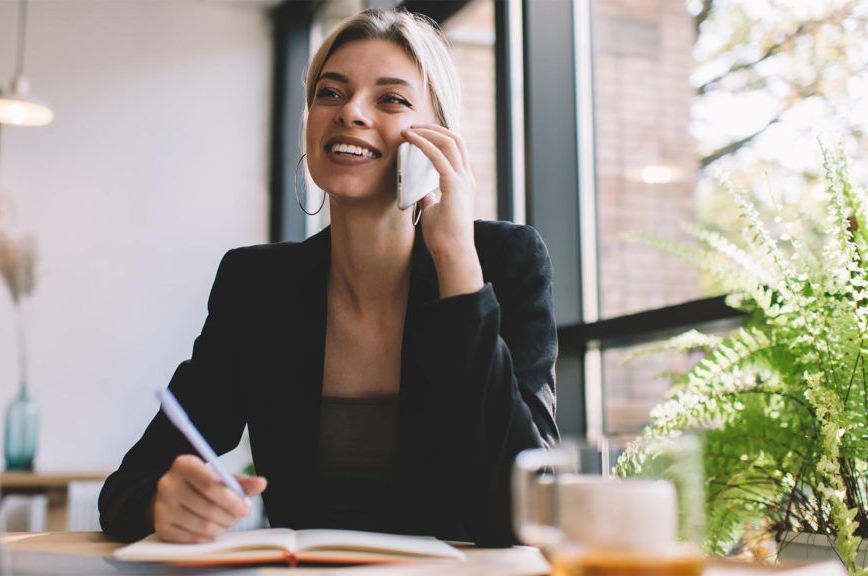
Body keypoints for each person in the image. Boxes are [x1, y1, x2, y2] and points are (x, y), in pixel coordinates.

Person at [98, 7, 558, 548]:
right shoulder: (257, 285)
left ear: (438, 139)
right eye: (330, 93)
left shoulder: (504, 262)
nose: (351, 112)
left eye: (391, 99)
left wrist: (457, 260)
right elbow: (128, 486)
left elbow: (529, 512)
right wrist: (163, 500)